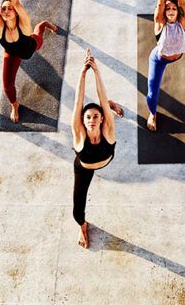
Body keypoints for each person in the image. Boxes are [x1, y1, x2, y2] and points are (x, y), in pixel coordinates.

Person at [0, 0, 57, 122]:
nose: (6, 11)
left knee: (38, 31)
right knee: (7, 85)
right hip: (12, 53)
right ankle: (15, 105)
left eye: (9, 8)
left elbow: (17, 2)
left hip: (30, 47)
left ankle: (45, 23)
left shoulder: (24, 25)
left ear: (15, 12)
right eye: (3, 9)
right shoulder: (0, 28)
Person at [71, 49, 124, 249]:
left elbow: (101, 99)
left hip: (103, 157)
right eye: (88, 117)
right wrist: (83, 73)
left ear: (102, 118)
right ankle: (83, 228)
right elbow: (78, 102)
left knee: (104, 103)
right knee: (77, 212)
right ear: (82, 122)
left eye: (95, 116)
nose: (92, 120)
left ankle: (111, 105)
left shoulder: (107, 130)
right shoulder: (79, 135)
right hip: (83, 168)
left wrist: (97, 71)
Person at [146, 0, 185, 131]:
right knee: (152, 94)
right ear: (164, 12)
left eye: (174, 8)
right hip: (159, 59)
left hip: (177, 56)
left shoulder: (184, 22)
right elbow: (159, 4)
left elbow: (183, 3)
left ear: (178, 11)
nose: (170, 11)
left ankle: (153, 112)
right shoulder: (160, 24)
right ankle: (153, 114)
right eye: (168, 8)